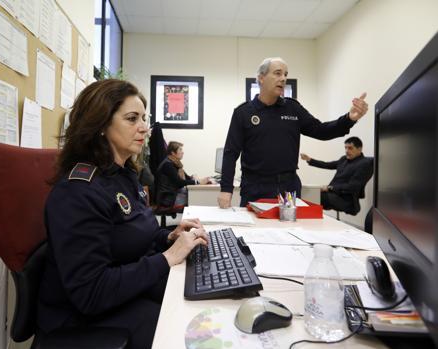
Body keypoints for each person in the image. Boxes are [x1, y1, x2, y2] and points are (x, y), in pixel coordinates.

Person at [37, 79, 209, 349]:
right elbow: (90, 292)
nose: (144, 127)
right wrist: (168, 257)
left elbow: (134, 236)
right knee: (186, 333)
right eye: (132, 119)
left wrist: (168, 237)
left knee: (199, 302)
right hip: (82, 318)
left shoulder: (125, 175)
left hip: (122, 293)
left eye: (144, 118)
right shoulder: (78, 192)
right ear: (101, 125)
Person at [217, 57, 369, 208]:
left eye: (285, 74)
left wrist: (349, 119)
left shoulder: (293, 109)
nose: (283, 78)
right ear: (261, 78)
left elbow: (321, 131)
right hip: (255, 188)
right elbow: (231, 153)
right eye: (277, 73)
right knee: (256, 231)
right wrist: (226, 190)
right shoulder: (243, 113)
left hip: (288, 188)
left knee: (289, 230)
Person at [300, 136, 373, 215]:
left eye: (350, 148)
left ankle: (311, 220)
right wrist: (309, 159)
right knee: (307, 194)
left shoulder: (365, 164)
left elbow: (353, 187)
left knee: (314, 197)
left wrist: (330, 188)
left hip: (346, 199)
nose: (347, 151)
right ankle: (308, 222)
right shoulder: (344, 159)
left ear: (359, 149)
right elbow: (327, 165)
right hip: (333, 194)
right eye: (346, 148)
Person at [156, 141, 211, 207]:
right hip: (169, 199)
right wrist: (198, 182)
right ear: (173, 153)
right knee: (198, 199)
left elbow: (187, 178)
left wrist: (196, 178)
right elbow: (179, 182)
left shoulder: (176, 163)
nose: (183, 152)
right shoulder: (167, 165)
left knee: (198, 195)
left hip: (174, 194)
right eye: (180, 150)